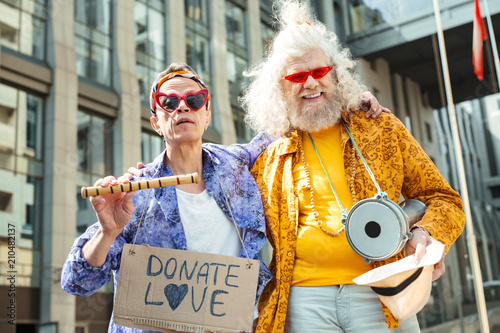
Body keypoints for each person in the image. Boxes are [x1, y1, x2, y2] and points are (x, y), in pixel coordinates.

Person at [61, 63, 385, 333]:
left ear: (207, 114)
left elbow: (289, 122)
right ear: (156, 123)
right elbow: (77, 282)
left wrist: (348, 101)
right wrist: (107, 231)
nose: (182, 107)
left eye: (194, 99)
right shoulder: (136, 193)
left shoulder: (237, 164)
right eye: (169, 103)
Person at [242, 1, 466, 332]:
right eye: (297, 76)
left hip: (383, 294)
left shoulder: (380, 127)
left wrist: (425, 234)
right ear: (281, 87)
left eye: (319, 72)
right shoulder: (268, 157)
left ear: (335, 72)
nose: (311, 83)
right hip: (304, 302)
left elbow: (443, 199)